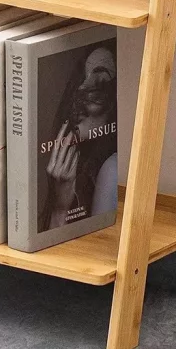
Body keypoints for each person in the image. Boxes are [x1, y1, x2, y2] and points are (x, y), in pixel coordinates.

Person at [39, 42, 118, 231]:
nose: (83, 88)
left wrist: (60, 211)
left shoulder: (112, 168)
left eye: (99, 82)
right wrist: (60, 205)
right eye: (82, 79)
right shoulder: (76, 169)